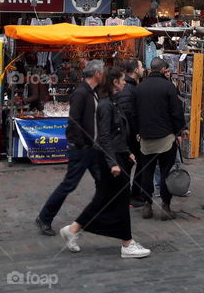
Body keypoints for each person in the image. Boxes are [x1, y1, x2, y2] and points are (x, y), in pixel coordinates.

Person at [60, 67, 151, 259]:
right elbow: (104, 136)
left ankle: (74, 229)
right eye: (122, 80)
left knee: (106, 198)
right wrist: (113, 162)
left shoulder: (112, 102)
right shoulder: (105, 105)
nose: (125, 82)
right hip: (110, 159)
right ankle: (127, 243)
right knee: (117, 199)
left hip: (117, 156)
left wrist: (127, 153)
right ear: (114, 83)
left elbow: (118, 133)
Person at [35, 60, 104, 234]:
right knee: (69, 184)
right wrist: (80, 144)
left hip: (92, 147)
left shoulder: (93, 92)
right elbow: (74, 122)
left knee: (103, 181)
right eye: (103, 71)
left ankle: (102, 214)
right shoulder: (81, 93)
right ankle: (44, 217)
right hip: (82, 149)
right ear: (97, 73)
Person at [133, 58, 186, 220]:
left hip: (146, 137)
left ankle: (147, 205)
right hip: (166, 137)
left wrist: (138, 131)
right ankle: (165, 206)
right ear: (163, 69)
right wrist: (180, 131)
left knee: (147, 172)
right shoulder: (168, 87)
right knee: (165, 172)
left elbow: (134, 113)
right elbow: (176, 112)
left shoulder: (139, 88)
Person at [115, 58, 148, 206]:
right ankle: (129, 196)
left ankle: (133, 193)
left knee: (136, 163)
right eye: (141, 67)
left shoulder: (132, 86)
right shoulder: (128, 88)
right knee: (131, 164)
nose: (143, 69)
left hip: (131, 134)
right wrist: (136, 133)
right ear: (135, 70)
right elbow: (127, 114)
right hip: (130, 135)